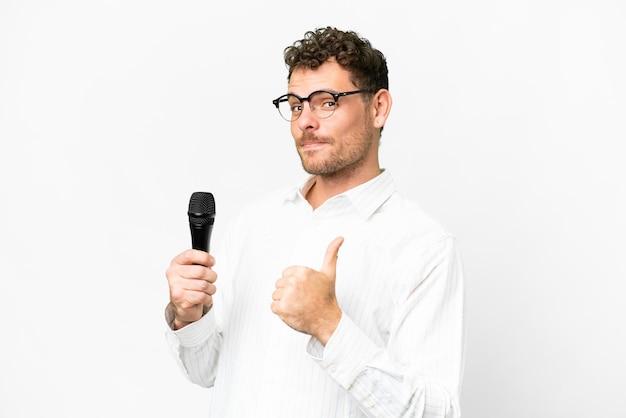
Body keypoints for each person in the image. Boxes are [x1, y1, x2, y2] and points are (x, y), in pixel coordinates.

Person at [164, 26, 465, 417]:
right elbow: (205, 370)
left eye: (327, 102)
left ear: (378, 108)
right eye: (295, 105)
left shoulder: (424, 247)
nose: (305, 120)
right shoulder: (255, 223)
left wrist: (330, 325)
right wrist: (189, 316)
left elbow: (437, 413)